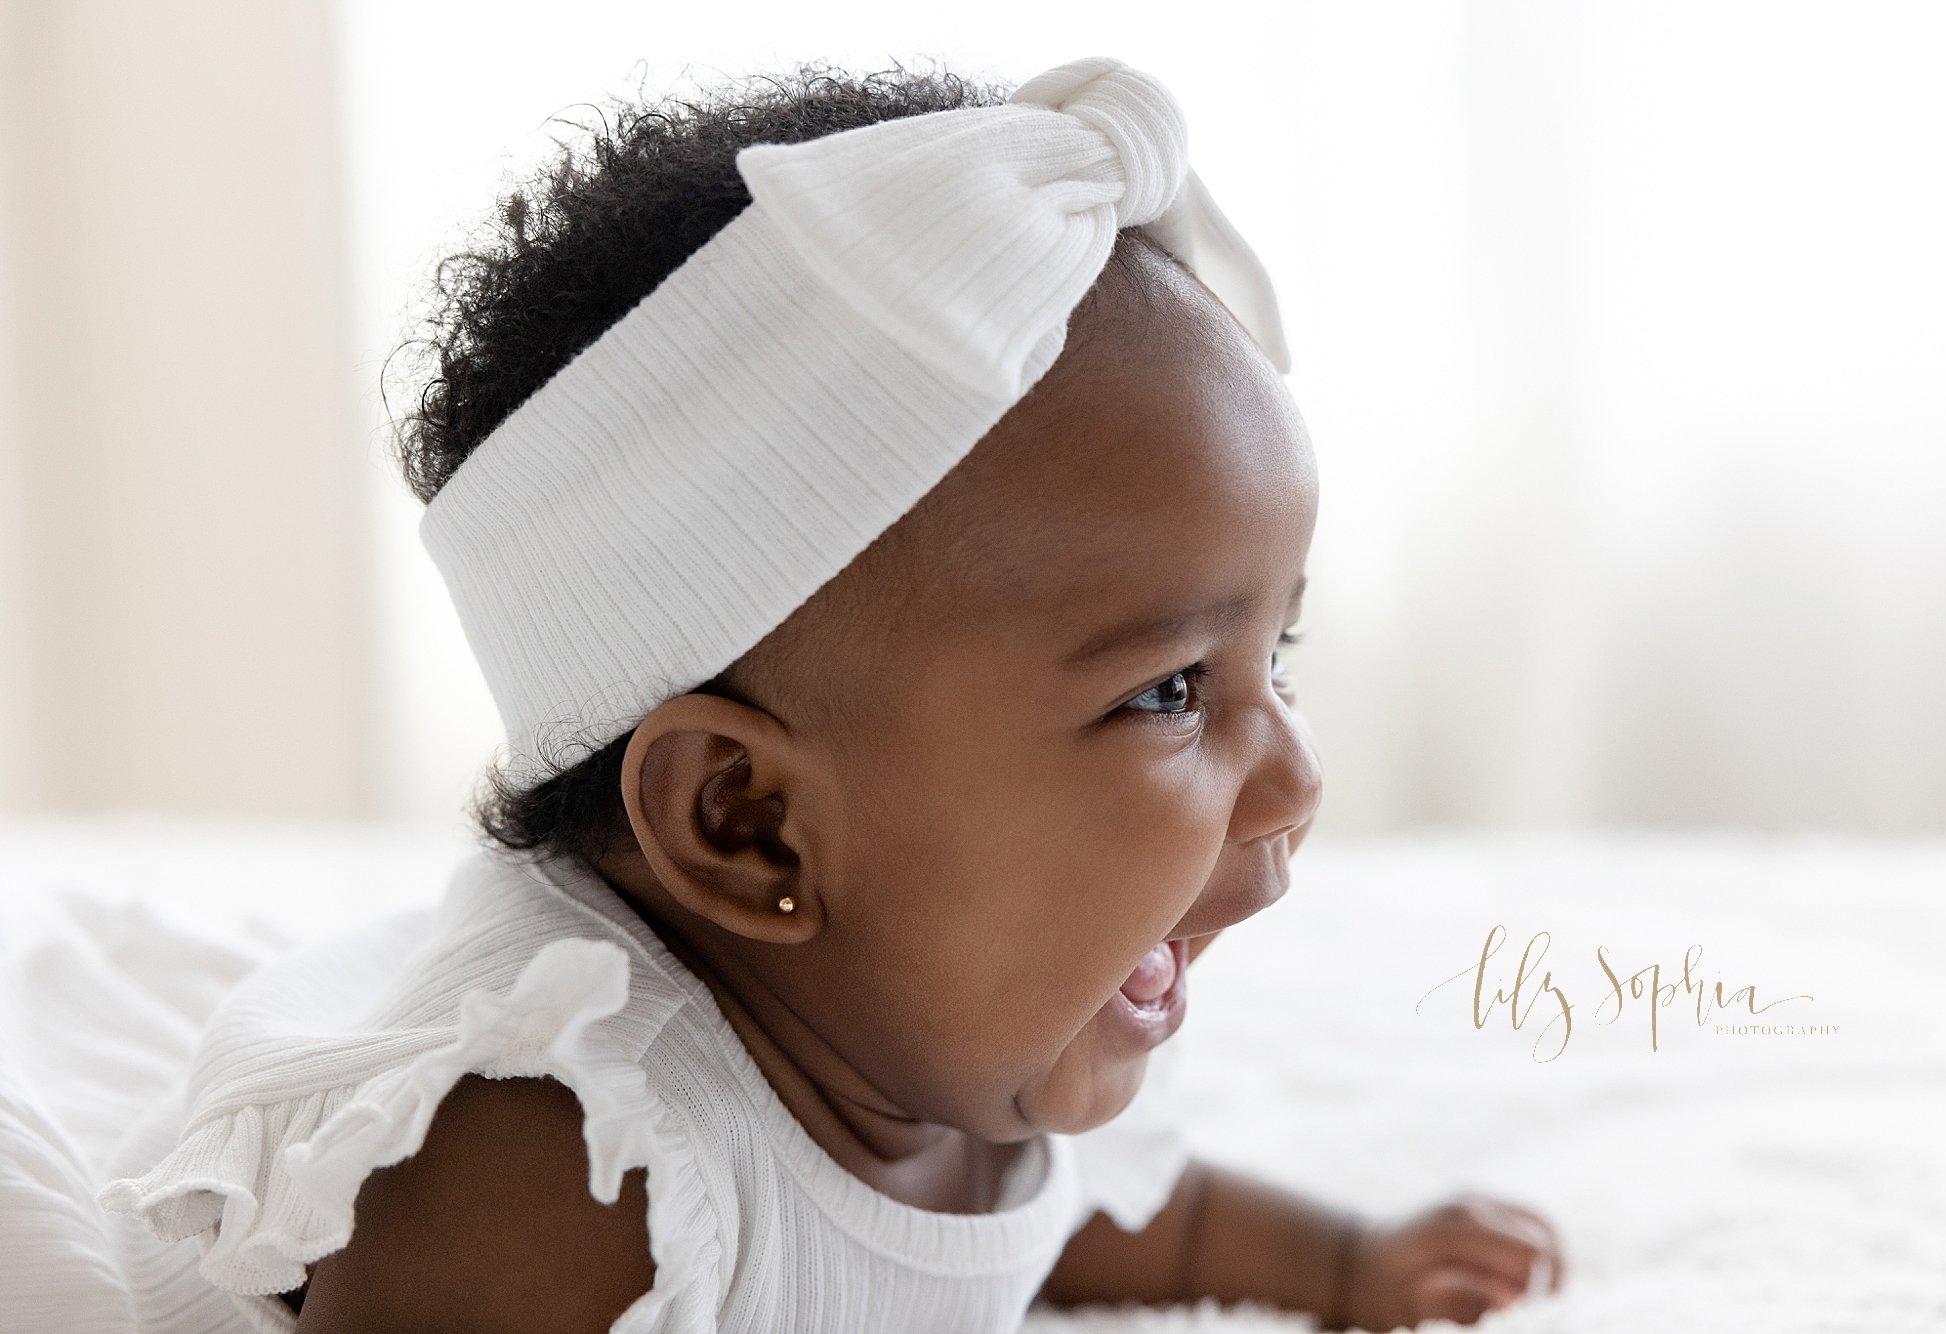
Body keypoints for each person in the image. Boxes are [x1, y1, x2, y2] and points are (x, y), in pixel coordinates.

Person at [99, 54, 1564, 1333]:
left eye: (1277, 658)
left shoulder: (967, 1025)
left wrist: (1349, 1261)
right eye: (1171, 687)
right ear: (751, 823)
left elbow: (1092, 1218)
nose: (1299, 773)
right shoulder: (570, 1177)